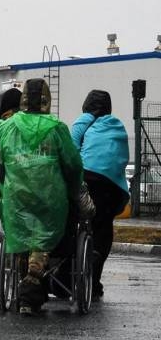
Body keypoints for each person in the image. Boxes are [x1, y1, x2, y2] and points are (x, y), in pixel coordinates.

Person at [0, 79, 83, 315]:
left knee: (23, 237)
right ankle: (35, 275)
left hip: (16, 198)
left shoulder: (6, 127)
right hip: (50, 199)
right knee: (42, 240)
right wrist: (75, 189)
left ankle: (28, 282)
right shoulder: (57, 128)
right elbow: (73, 165)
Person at [71, 90, 129, 299]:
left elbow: (70, 151)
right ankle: (94, 281)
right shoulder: (118, 126)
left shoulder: (83, 122)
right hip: (112, 187)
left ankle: (67, 272)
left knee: (71, 218)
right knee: (104, 227)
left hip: (87, 178)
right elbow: (122, 157)